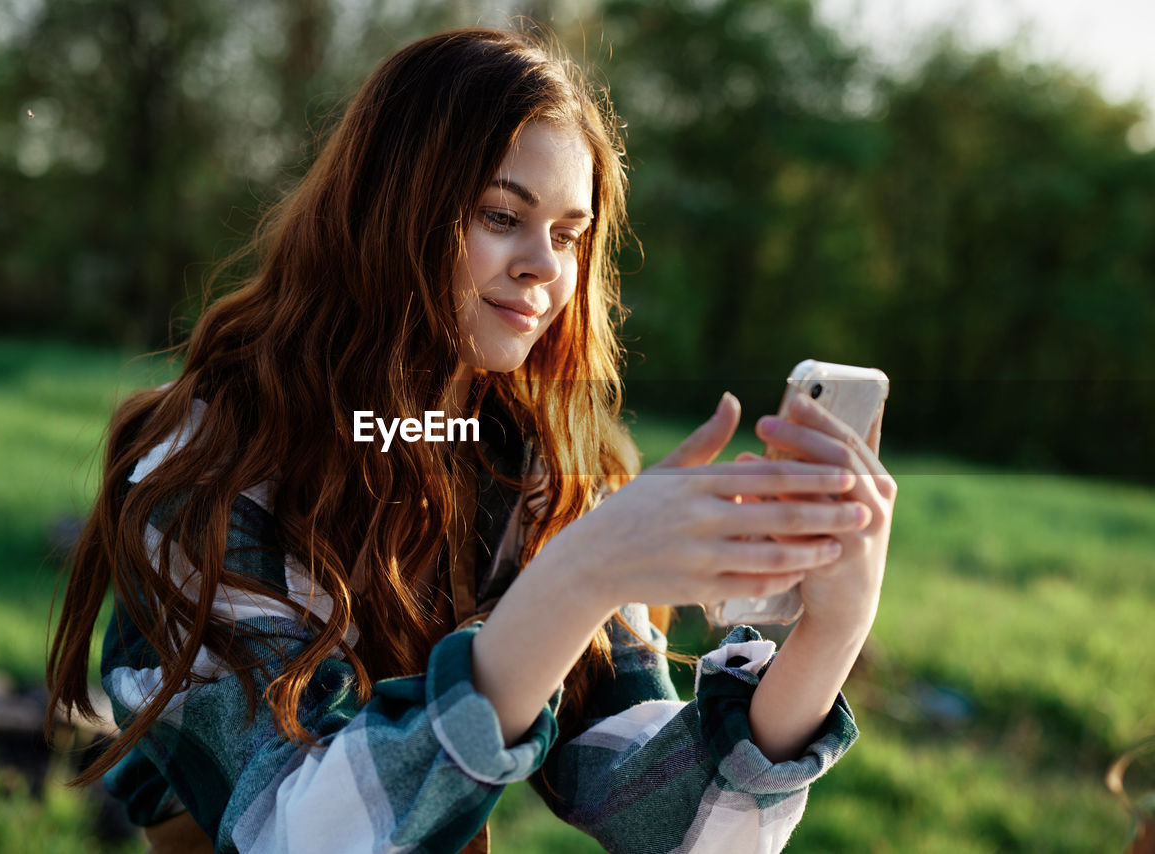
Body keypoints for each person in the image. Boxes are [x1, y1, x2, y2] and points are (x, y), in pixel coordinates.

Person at [46, 26, 896, 854]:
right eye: (501, 215)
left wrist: (830, 634)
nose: (545, 267)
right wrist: (577, 578)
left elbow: (660, 817)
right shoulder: (209, 470)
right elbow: (298, 829)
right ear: (390, 206)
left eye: (569, 235)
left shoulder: (538, 473)